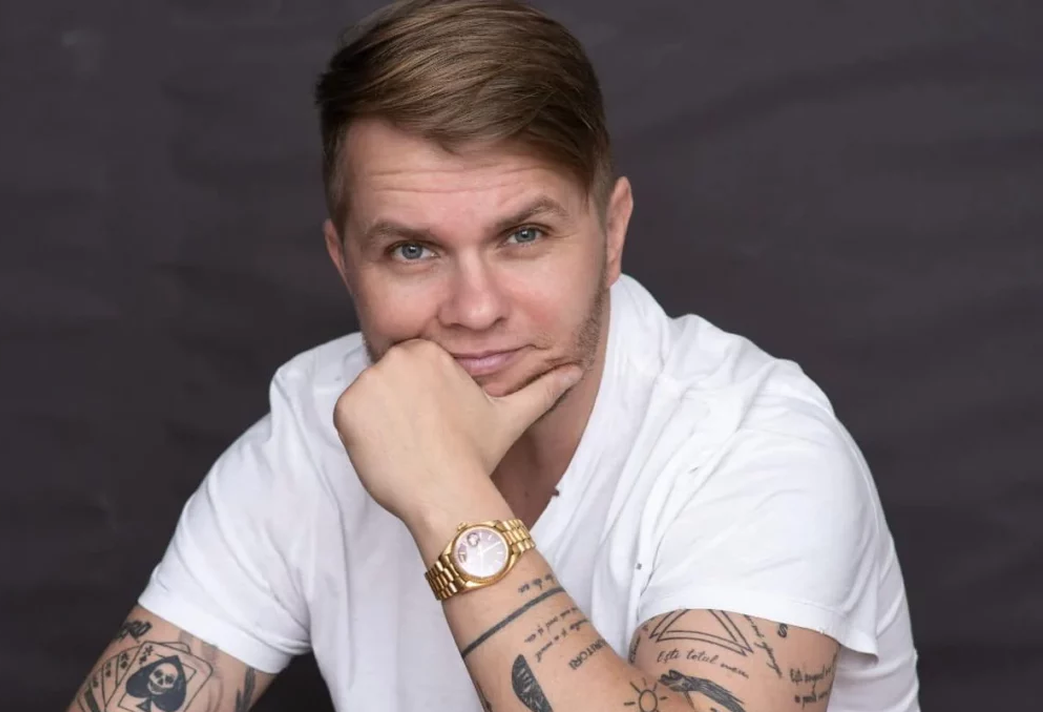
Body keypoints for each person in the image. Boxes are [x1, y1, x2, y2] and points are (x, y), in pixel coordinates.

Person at [66, 1, 921, 710]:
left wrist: (444, 493)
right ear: (344, 262)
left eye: (524, 235)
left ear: (612, 235)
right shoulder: (313, 433)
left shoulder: (755, 447)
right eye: (411, 251)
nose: (475, 309)